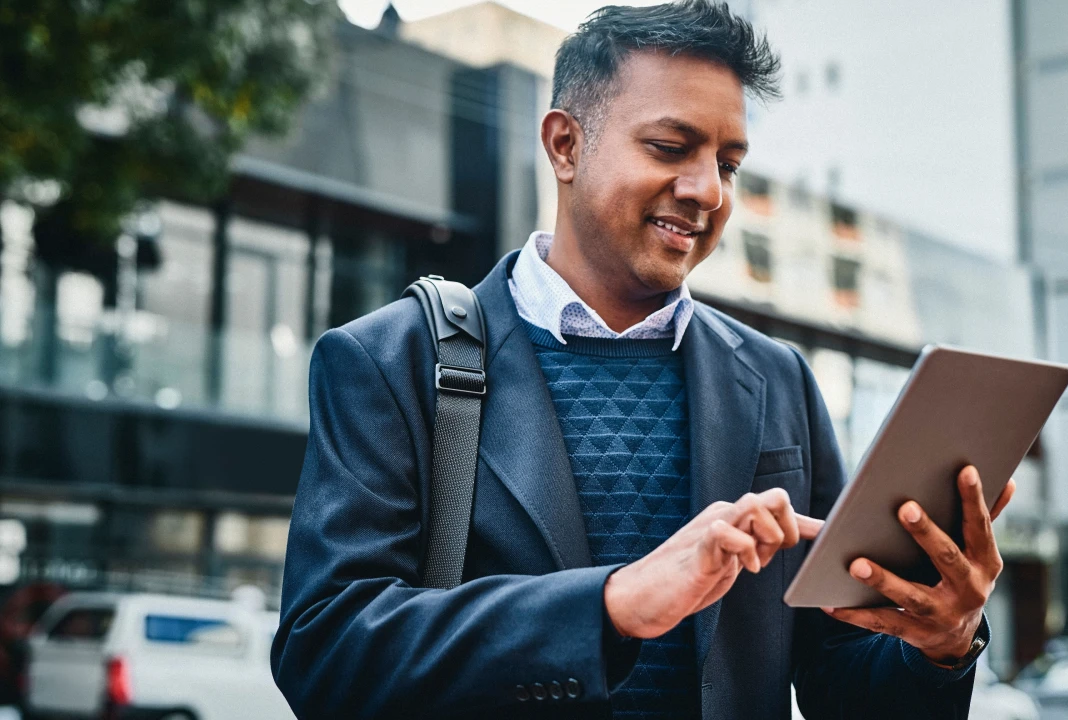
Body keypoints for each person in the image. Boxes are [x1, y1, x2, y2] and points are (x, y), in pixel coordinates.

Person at [271, 2, 1015, 718]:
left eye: (728, 162)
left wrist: (940, 644)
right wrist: (614, 606)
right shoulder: (386, 361)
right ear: (565, 145)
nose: (706, 192)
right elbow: (326, 652)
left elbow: (841, 689)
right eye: (669, 147)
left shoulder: (777, 379)